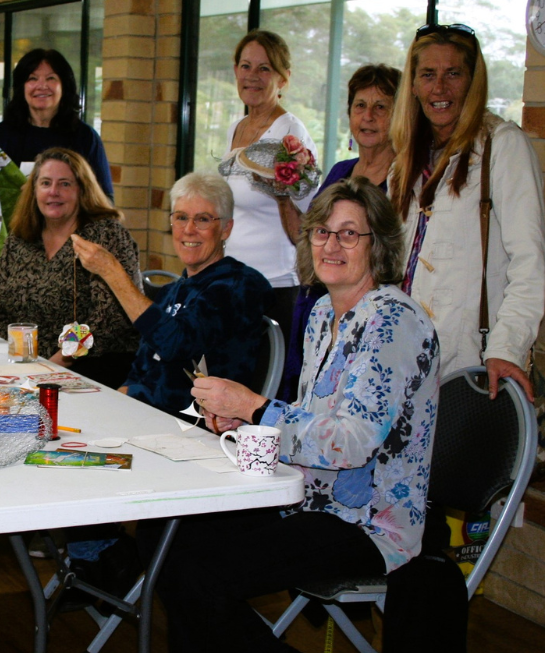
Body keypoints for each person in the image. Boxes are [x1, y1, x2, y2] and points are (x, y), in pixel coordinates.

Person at [140, 177, 440, 653]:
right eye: (322, 231)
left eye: (350, 234)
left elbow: (351, 442)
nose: (331, 245)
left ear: (379, 246)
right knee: (167, 536)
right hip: (305, 497)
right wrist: (246, 417)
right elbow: (313, 417)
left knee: (197, 573)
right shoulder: (325, 311)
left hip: (366, 522)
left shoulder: (393, 322)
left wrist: (257, 408)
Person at [382, 24, 545, 653]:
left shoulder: (501, 146)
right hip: (400, 374)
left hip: (465, 376)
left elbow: (529, 260)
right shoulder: (411, 152)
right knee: (404, 530)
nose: (439, 87)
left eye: (453, 73)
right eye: (427, 73)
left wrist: (508, 349)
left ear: (473, 79)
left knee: (417, 528)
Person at [73, 171, 272, 416]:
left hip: (196, 425)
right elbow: (141, 367)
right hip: (143, 414)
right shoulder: (172, 291)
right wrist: (120, 399)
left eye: (203, 219)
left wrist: (113, 273)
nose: (189, 229)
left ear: (225, 229)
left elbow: (175, 344)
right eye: (181, 217)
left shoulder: (239, 286)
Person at [278, 63, 402, 401]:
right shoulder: (340, 171)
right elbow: (305, 238)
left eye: (381, 107)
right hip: (317, 308)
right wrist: (284, 192)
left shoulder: (406, 180)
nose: (369, 116)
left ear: (400, 115)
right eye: (360, 106)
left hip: (366, 321)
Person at [0, 48, 114, 297]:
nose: (40, 86)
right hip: (7, 256)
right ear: (21, 86)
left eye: (51, 78)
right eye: (32, 78)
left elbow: (104, 203)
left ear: (64, 86)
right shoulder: (1, 135)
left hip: (67, 259)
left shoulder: (84, 137)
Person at [0, 147, 141, 389]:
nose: (53, 192)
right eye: (46, 183)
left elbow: (111, 318)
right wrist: (17, 364)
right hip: (28, 367)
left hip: (94, 367)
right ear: (34, 190)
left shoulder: (106, 235)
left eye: (65, 184)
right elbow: (2, 311)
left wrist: (57, 361)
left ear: (82, 190)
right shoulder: (19, 240)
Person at [218, 30, 316, 345]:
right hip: (232, 282)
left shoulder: (290, 133)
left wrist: (283, 195)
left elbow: (307, 228)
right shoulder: (237, 127)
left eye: (265, 69)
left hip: (273, 288)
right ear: (235, 71)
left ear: (283, 78)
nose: (253, 77)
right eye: (246, 66)